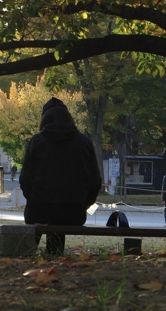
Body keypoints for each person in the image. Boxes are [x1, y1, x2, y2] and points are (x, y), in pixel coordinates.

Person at [19, 97, 103, 255]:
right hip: (74, 212)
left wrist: (34, 198)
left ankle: (27, 256)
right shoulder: (84, 142)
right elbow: (95, 181)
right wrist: (83, 203)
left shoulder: (37, 142)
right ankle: (54, 255)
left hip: (40, 208)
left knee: (40, 216)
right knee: (59, 216)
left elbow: (25, 179)